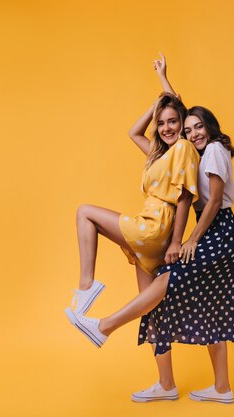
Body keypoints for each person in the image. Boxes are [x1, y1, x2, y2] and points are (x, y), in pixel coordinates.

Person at [72, 54, 234, 405]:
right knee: (186, 306)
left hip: (208, 232)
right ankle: (204, 386)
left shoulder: (201, 151)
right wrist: (161, 90)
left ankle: (102, 324)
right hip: (205, 233)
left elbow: (200, 202)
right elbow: (164, 120)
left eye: (195, 126)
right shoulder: (176, 151)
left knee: (165, 285)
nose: (189, 132)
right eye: (186, 127)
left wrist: (185, 240)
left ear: (206, 128)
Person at [64, 92, 200, 342]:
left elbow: (184, 197)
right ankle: (167, 382)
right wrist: (157, 105)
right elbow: (134, 133)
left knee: (85, 213)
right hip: (154, 232)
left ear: (183, 122)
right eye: (160, 123)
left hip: (155, 226)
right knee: (151, 312)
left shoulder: (183, 147)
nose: (166, 128)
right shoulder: (161, 156)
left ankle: (87, 286)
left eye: (172, 121)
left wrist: (176, 242)